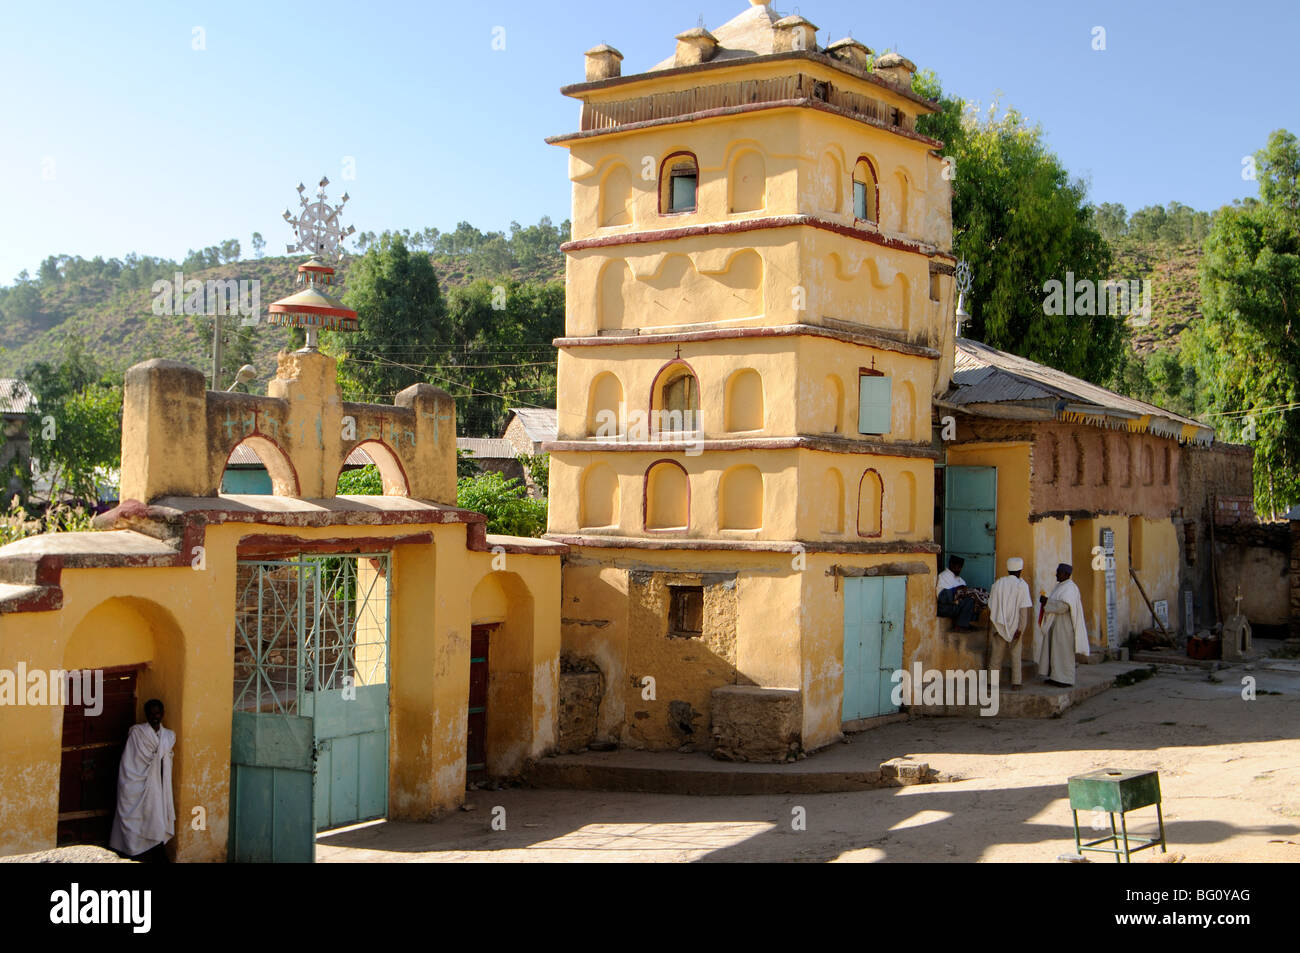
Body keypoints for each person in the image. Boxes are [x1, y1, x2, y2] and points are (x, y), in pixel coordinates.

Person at [109, 698, 176, 862]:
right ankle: (130, 852)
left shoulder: (168, 737)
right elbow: (129, 763)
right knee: (134, 820)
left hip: (157, 788)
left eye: (158, 713)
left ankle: (155, 853)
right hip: (135, 785)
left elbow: (165, 761)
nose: (155, 716)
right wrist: (132, 784)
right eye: (151, 713)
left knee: (155, 819)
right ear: (146, 714)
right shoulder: (137, 734)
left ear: (163, 714)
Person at [1036, 563, 1090, 687]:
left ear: (1066, 574)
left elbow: (1063, 607)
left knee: (1063, 653)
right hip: (1055, 625)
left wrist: (1047, 601)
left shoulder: (1070, 588)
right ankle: (1055, 677)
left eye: (1059, 572)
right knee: (1054, 652)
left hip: (1064, 626)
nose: (1056, 574)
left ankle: (1065, 679)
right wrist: (1047, 601)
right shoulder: (1060, 586)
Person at [988, 557, 1033, 690]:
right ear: (1020, 570)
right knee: (1015, 656)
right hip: (1015, 628)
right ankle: (1016, 683)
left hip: (999, 625)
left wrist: (997, 624)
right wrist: (1020, 629)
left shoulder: (998, 584)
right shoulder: (1022, 586)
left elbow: (992, 605)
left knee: (996, 655)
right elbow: (1023, 611)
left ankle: (992, 683)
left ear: (1008, 569)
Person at [936, 555, 980, 631]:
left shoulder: (960, 579)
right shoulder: (943, 576)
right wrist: (956, 590)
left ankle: (965, 623)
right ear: (951, 565)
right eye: (957, 567)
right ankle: (960, 626)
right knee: (969, 602)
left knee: (976, 599)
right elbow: (942, 597)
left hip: (956, 606)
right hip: (944, 607)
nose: (959, 569)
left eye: (960, 567)